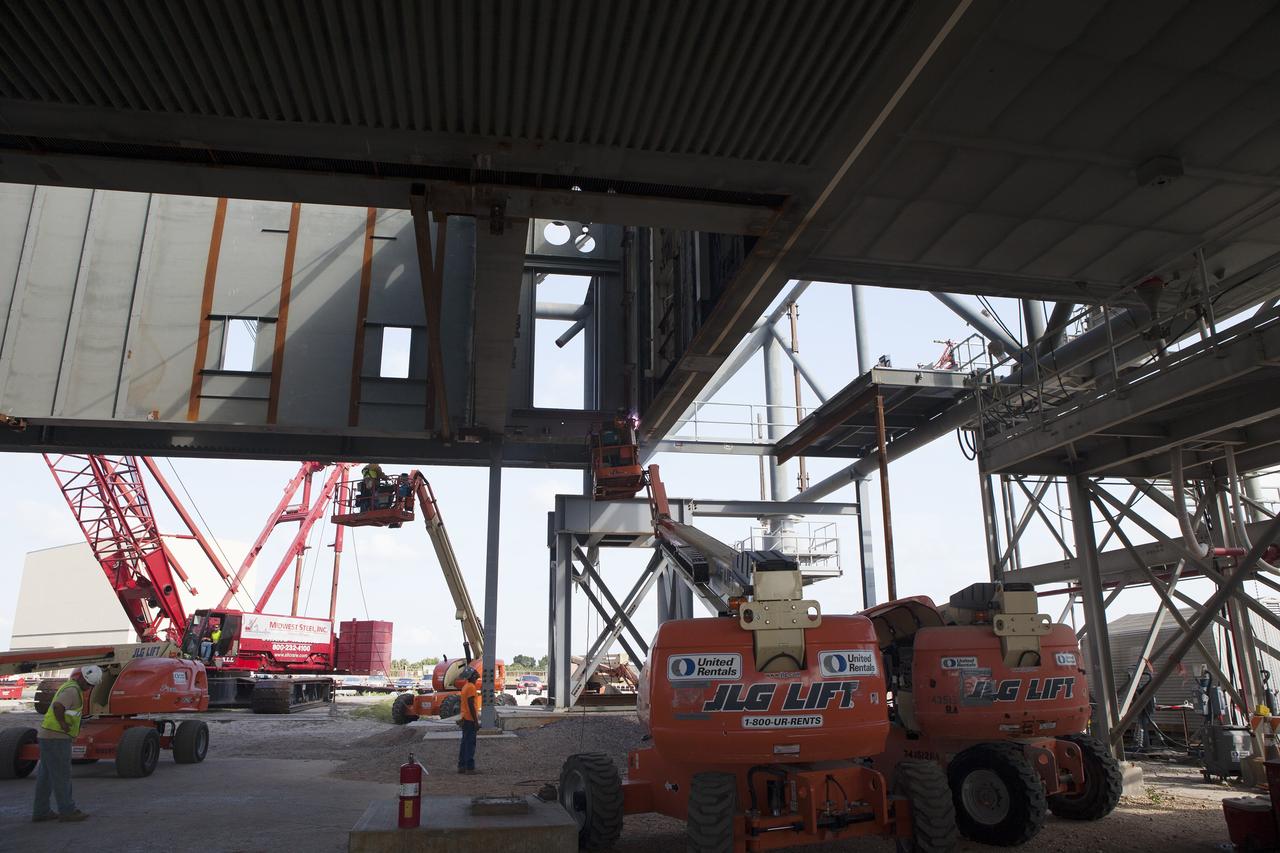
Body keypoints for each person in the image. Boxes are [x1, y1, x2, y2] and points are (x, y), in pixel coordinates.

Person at [33, 665, 101, 823]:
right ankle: (67, 811)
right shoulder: (72, 690)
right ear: (84, 679)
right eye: (90, 685)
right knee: (62, 776)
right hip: (56, 737)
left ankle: (41, 811)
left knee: (46, 776)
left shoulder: (70, 686)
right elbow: (58, 706)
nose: (89, 688)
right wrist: (63, 724)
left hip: (48, 736)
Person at [457, 667, 482, 775]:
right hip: (470, 719)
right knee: (470, 744)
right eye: (475, 675)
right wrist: (476, 721)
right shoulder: (471, 687)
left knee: (464, 743)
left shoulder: (465, 687)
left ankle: (461, 766)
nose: (477, 676)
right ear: (472, 676)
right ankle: (469, 767)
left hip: (465, 718)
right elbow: (471, 704)